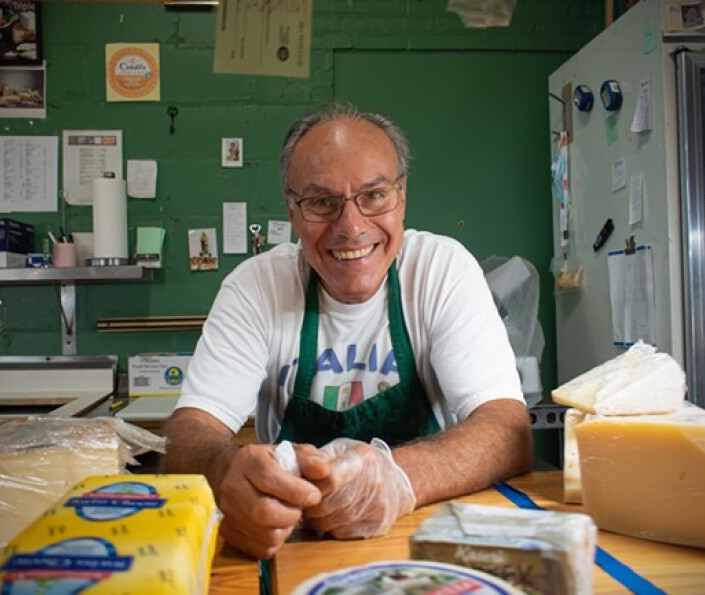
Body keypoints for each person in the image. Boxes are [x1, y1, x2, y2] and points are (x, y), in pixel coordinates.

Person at [162, 103, 532, 560]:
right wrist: (226, 471)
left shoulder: (441, 271)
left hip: (425, 541)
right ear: (293, 210)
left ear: (402, 196)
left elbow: (508, 431)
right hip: (297, 549)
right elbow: (187, 435)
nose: (351, 228)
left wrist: (399, 478)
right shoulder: (255, 289)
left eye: (374, 195)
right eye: (322, 203)